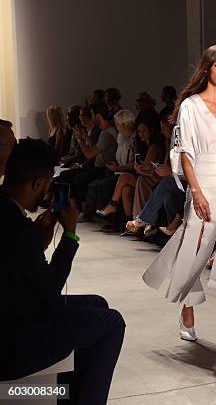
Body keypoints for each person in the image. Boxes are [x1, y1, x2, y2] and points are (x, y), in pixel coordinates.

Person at [142, 45, 216, 373]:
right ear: (206, 69)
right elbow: (184, 151)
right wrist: (195, 191)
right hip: (203, 185)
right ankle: (187, 307)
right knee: (195, 254)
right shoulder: (191, 107)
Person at [0, 138, 125, 404]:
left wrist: (38, 243)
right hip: (11, 337)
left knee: (98, 305)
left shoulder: (7, 214)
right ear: (39, 183)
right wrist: (69, 236)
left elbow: (21, 270)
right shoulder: (17, 228)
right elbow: (49, 291)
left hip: (12, 309)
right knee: (111, 323)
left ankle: (68, 397)